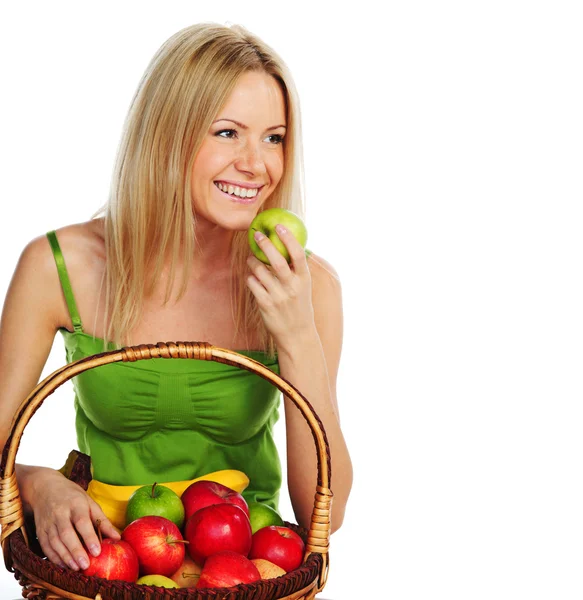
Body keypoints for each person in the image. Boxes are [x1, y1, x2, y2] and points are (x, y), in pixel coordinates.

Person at [0, 22, 352, 573]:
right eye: (228, 133)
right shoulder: (58, 268)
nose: (257, 165)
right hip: (106, 564)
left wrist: (298, 334)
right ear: (168, 134)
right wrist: (36, 482)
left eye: (274, 137)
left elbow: (322, 517)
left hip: (248, 571)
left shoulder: (306, 287)